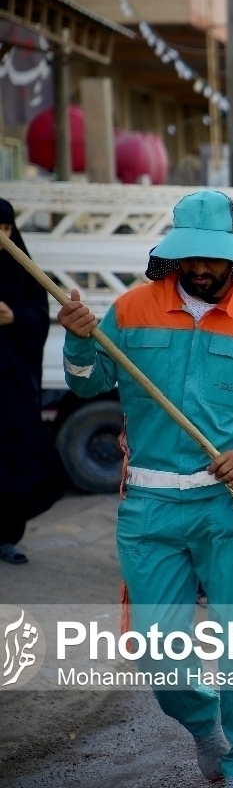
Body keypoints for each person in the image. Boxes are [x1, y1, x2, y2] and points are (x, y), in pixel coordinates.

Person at [57, 191, 233, 788]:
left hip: (229, 509)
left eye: (212, 258)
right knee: (157, 651)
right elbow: (88, 385)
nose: (200, 268)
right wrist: (78, 340)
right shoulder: (130, 310)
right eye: (189, 256)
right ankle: (205, 728)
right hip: (149, 509)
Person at [0, 199, 67, 564]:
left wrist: (15, 317)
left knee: (17, 456)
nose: (1, 236)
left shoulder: (22, 269)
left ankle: (7, 537)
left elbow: (39, 315)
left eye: (6, 228)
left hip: (11, 383)